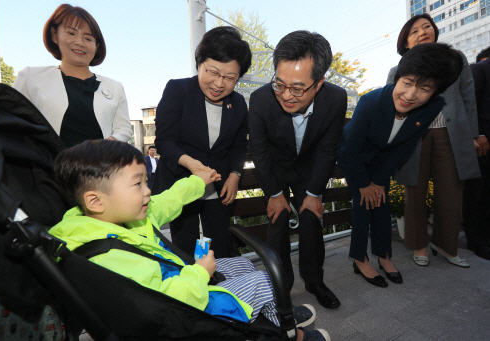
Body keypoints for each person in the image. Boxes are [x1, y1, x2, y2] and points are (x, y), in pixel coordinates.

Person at [49, 139, 330, 341]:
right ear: (96, 200)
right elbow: (161, 304)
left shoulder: (112, 218)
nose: (148, 192)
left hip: (180, 279)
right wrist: (199, 273)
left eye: (146, 181)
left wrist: (199, 180)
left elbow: (169, 200)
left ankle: (274, 314)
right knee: (262, 279)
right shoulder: (107, 257)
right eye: (138, 184)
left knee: (242, 266)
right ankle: (290, 332)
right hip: (186, 309)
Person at [339, 43, 464, 287]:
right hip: (355, 157)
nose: (410, 95)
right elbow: (351, 149)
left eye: (424, 88)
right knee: (363, 204)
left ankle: (384, 257)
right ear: (398, 78)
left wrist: (378, 180)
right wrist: (365, 183)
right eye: (407, 83)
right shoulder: (370, 102)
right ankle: (359, 258)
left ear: (436, 91)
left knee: (382, 204)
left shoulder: (433, 106)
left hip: (384, 160)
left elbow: (405, 146)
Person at [248, 30, 346, 309]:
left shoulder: (336, 99)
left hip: (310, 170)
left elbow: (328, 149)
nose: (287, 96)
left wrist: (314, 193)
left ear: (320, 83)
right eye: (280, 84)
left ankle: (315, 281)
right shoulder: (261, 99)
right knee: (277, 224)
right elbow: (260, 151)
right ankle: (281, 287)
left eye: (298, 88)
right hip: (275, 170)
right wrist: (274, 193)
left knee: (312, 220)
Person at [386, 14, 481, 268]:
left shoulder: (455, 60)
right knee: (413, 192)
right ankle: (419, 246)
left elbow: (468, 97)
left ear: (435, 31)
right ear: (406, 42)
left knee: (451, 193)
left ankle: (447, 246)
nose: (422, 31)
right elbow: (389, 108)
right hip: (414, 136)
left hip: (451, 135)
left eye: (427, 26)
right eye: (414, 30)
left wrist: (473, 134)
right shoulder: (398, 70)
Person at [153, 26, 250, 259]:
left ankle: (219, 291)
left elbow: (238, 146)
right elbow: (165, 141)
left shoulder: (237, 104)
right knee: (185, 248)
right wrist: (192, 165)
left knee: (218, 248)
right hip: (180, 184)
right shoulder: (178, 90)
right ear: (199, 63)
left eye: (230, 78)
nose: (219, 83)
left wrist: (235, 175)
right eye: (212, 72)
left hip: (218, 188)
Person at [13, 4, 132, 147]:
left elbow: (124, 129)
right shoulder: (30, 77)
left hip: (99, 166)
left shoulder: (115, 87)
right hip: (44, 167)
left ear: (97, 46)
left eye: (88, 39)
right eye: (71, 33)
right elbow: (13, 124)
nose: (80, 42)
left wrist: (104, 147)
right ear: (54, 35)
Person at [463, 55, 490, 260]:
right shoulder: (479, 69)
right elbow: (469, 104)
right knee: (478, 192)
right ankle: (477, 241)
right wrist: (477, 134)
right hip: (483, 142)